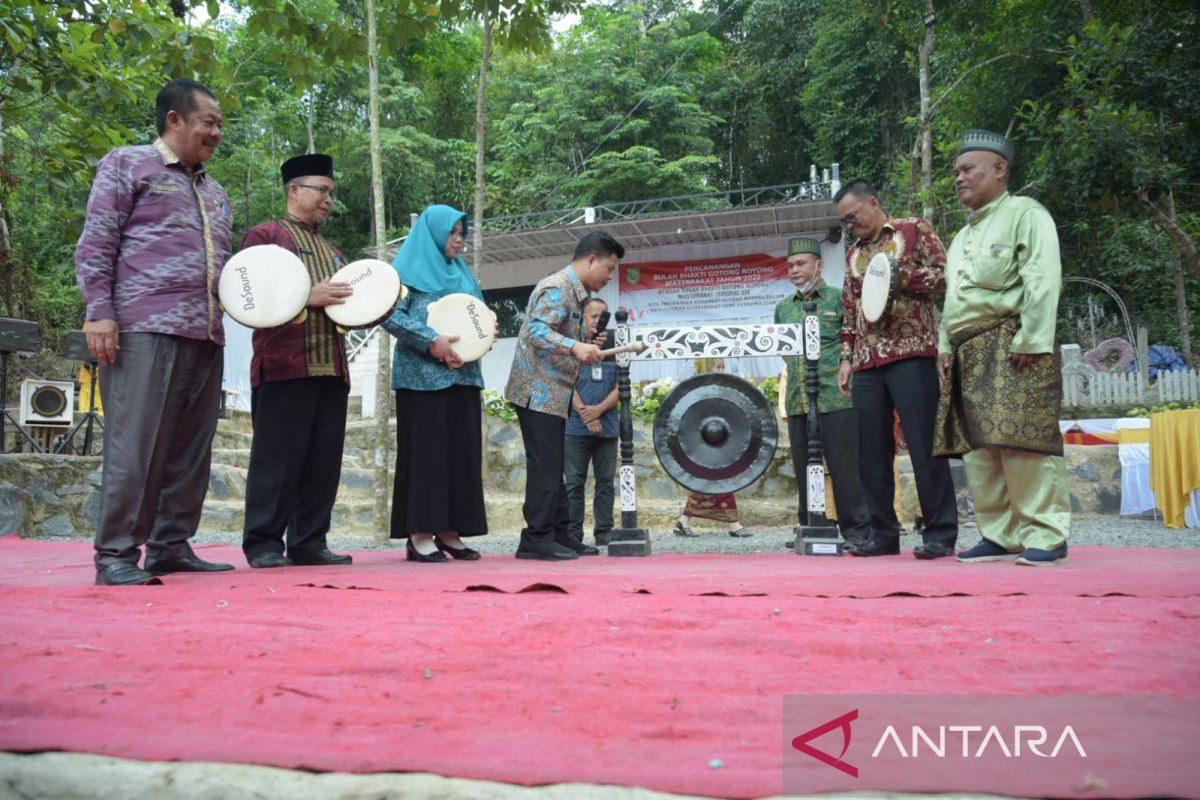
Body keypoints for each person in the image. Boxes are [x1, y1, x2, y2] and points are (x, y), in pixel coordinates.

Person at [75, 78, 235, 585]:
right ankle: (116, 554)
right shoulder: (127, 164)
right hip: (143, 328)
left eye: (218, 124)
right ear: (175, 120)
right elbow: (97, 241)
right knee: (135, 445)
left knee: (191, 449)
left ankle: (170, 544)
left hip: (205, 333)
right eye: (208, 121)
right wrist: (100, 311)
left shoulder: (215, 190)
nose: (216, 132)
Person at [935, 129, 1070, 565]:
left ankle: (1046, 534)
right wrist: (943, 345)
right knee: (981, 448)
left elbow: (1042, 277)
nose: (959, 178)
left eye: (967, 169)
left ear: (999, 169)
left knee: (1022, 441)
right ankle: (999, 534)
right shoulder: (958, 240)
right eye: (956, 171)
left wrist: (1034, 338)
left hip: (1013, 341)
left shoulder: (1025, 214)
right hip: (966, 349)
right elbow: (953, 299)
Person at [238, 154, 355, 569]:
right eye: (321, 190)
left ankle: (309, 542)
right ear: (294, 190)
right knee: (277, 460)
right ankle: (264, 543)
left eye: (331, 193)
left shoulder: (334, 250)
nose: (328, 199)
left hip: (333, 368)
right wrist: (308, 297)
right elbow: (245, 295)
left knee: (322, 462)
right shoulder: (264, 237)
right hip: (284, 366)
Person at [834, 180, 959, 559]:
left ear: (872, 203)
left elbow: (944, 275)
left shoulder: (913, 229)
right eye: (844, 222)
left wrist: (900, 276)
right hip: (867, 361)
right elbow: (850, 308)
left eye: (852, 217)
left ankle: (939, 534)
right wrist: (845, 358)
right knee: (870, 453)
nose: (849, 226)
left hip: (911, 353)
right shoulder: (853, 252)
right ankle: (883, 534)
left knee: (924, 446)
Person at [505, 232, 624, 560]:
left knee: (553, 463)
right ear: (591, 260)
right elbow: (535, 331)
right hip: (536, 390)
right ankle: (535, 538)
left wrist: (583, 343)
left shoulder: (579, 295)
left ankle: (560, 533)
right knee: (545, 464)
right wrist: (575, 345)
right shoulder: (557, 287)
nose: (610, 277)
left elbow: (555, 334)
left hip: (554, 394)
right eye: (609, 268)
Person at [382, 205, 490, 563]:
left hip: (464, 376)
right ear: (433, 233)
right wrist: (431, 341)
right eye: (453, 233)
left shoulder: (463, 275)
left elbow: (478, 317)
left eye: (463, 234)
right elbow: (388, 314)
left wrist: (487, 332)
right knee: (427, 456)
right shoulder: (404, 274)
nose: (459, 241)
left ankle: (450, 531)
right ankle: (419, 534)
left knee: (460, 455)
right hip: (422, 379)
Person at [774, 236, 871, 550]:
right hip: (799, 400)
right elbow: (785, 354)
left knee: (844, 467)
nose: (795, 270)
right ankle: (810, 526)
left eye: (801, 263)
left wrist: (844, 364)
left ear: (819, 265)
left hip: (835, 395)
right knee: (804, 468)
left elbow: (854, 340)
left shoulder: (838, 298)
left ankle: (856, 531)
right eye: (790, 265)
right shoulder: (783, 309)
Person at [673, 359, 752, 538]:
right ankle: (733, 524)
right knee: (722, 481)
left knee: (707, 483)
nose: (722, 370)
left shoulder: (722, 389)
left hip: (719, 444)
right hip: (703, 445)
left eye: (723, 367)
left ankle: (683, 521)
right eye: (718, 367)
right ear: (707, 369)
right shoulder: (698, 391)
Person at [564, 298, 619, 548]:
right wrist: (586, 415)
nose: (598, 320)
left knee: (605, 483)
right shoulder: (571, 346)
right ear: (582, 318)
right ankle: (573, 533)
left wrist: (598, 411)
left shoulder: (615, 345)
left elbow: (622, 386)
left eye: (602, 316)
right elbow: (565, 383)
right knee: (574, 483)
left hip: (607, 426)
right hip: (575, 427)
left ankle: (604, 533)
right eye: (593, 315)